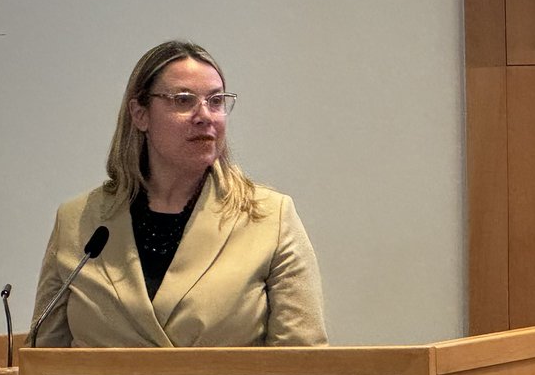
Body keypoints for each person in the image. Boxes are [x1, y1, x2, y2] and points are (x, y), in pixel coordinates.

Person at [30, 39, 328, 347]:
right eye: (184, 100)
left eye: (216, 101)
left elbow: (301, 370)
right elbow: (42, 364)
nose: (205, 116)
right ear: (140, 113)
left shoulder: (269, 218)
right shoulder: (78, 222)